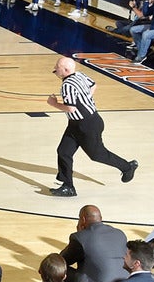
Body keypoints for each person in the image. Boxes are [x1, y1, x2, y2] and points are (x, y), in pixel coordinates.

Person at [45, 57, 138, 197]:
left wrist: (53, 103)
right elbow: (94, 86)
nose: (55, 68)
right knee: (64, 151)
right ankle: (68, 186)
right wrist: (86, 99)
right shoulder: (80, 75)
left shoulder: (67, 86)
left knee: (97, 154)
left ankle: (127, 167)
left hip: (87, 125)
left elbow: (70, 108)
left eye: (57, 66)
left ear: (65, 70)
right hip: (77, 124)